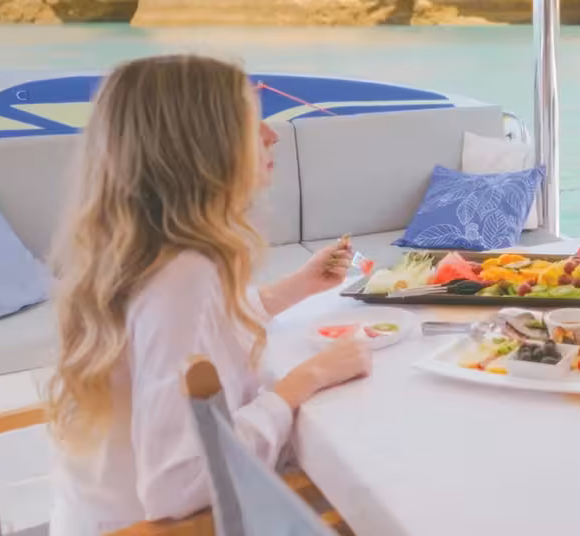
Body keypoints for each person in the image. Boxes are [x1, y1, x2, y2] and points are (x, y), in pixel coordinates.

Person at [47, 55, 372, 534]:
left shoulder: (142, 254)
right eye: (248, 120)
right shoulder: (182, 276)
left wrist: (295, 288)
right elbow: (180, 485)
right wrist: (308, 377)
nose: (271, 134)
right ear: (200, 147)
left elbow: (196, 336)